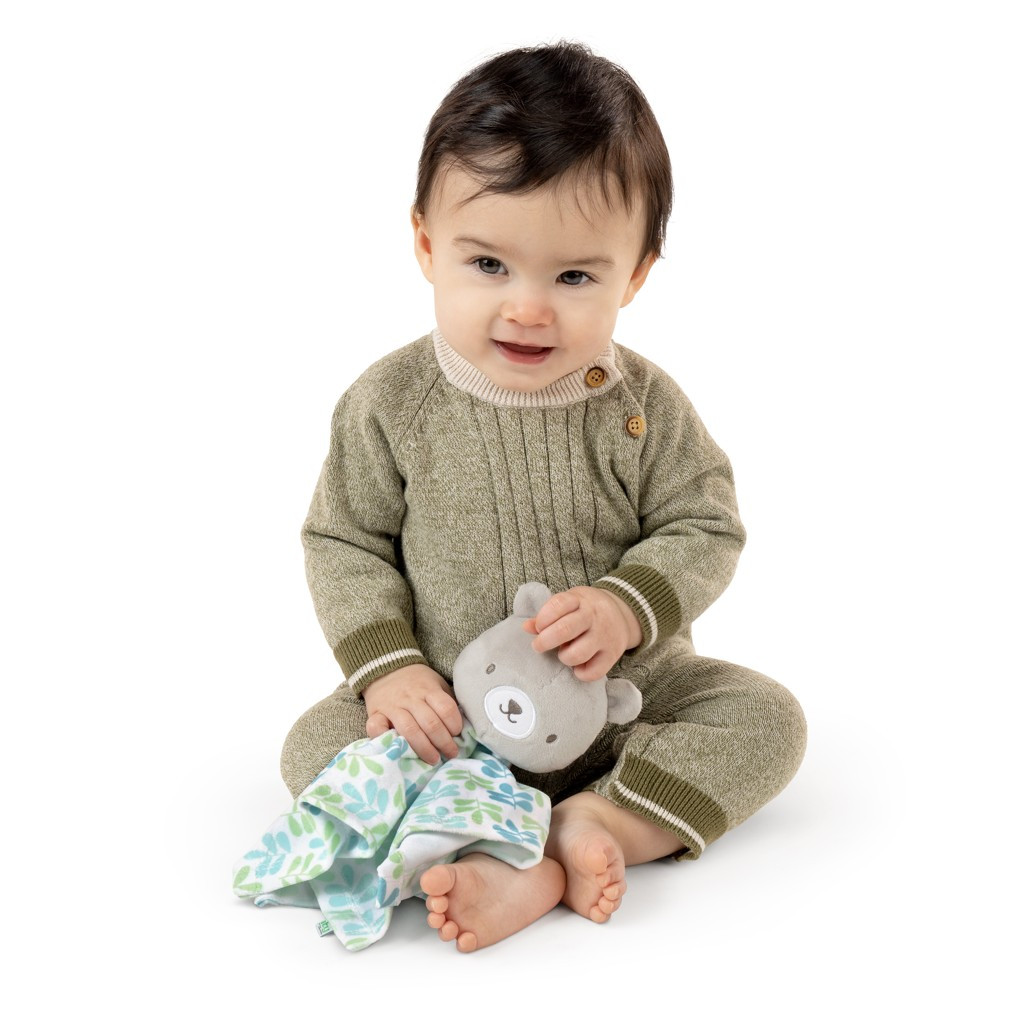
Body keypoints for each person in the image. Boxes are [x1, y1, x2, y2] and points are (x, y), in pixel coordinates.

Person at [282, 41, 806, 953]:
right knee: (311, 749)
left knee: (769, 720)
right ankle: (495, 846)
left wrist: (626, 607)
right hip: (451, 711)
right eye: (489, 265)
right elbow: (345, 541)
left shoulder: (643, 408)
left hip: (628, 700)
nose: (528, 308)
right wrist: (391, 670)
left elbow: (705, 521)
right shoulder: (390, 403)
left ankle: (596, 822)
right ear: (427, 245)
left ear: (634, 274)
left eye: (574, 277)